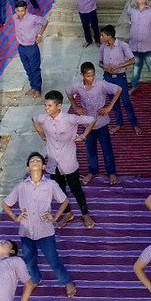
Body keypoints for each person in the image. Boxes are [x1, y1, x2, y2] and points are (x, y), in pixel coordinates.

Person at [2, 152, 78, 298]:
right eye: (32, 161)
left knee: (53, 260)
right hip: (26, 231)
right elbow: (5, 204)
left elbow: (64, 201)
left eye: (38, 160)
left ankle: (67, 281)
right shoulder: (21, 187)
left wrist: (55, 217)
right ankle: (36, 279)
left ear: (43, 166)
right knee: (29, 261)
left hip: (45, 231)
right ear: (27, 168)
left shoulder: (51, 184)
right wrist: (15, 218)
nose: (35, 162)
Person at [33, 90, 96, 229]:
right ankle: (67, 213)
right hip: (52, 161)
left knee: (75, 188)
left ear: (59, 106)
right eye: (46, 105)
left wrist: (84, 135)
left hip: (68, 160)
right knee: (59, 189)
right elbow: (35, 120)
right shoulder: (43, 118)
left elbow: (91, 120)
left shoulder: (70, 119)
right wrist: (42, 135)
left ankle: (85, 214)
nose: (46, 108)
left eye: (49, 106)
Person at [70, 61, 123, 185]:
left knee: (107, 149)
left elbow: (119, 89)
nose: (91, 78)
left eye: (93, 75)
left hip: (101, 123)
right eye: (88, 76)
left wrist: (109, 107)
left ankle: (111, 173)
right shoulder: (77, 87)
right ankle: (93, 171)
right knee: (90, 149)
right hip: (87, 126)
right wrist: (76, 107)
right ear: (82, 75)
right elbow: (69, 94)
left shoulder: (101, 84)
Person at [98, 25, 140, 133]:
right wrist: (105, 67)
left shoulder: (122, 46)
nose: (101, 37)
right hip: (108, 78)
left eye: (102, 35)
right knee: (114, 102)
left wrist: (118, 66)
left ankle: (134, 124)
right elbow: (99, 63)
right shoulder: (103, 47)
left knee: (126, 102)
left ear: (109, 36)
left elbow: (132, 60)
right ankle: (119, 123)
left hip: (120, 78)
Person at [13, 1, 47, 98]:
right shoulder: (14, 18)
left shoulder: (32, 18)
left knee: (35, 69)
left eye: (22, 11)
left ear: (26, 10)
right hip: (21, 48)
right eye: (18, 11)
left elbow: (45, 22)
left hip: (31, 47)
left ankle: (38, 89)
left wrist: (39, 35)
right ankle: (33, 86)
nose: (20, 13)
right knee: (27, 69)